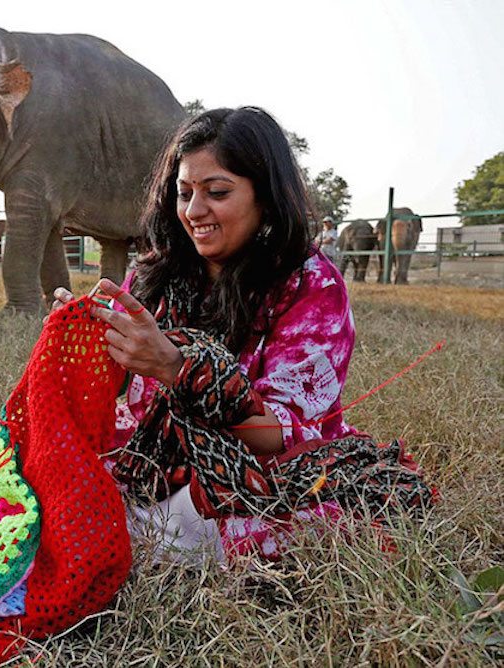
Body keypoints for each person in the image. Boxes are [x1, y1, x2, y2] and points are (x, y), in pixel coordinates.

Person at [53, 107, 431, 562]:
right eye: (184, 192)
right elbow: (116, 392)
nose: (194, 212)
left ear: (265, 197)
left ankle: (142, 531)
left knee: (280, 523)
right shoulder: (156, 274)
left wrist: (177, 369)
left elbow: (278, 435)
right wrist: (88, 346)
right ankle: (140, 527)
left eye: (217, 192)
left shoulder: (311, 286)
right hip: (154, 464)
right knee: (54, 480)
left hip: (264, 470)